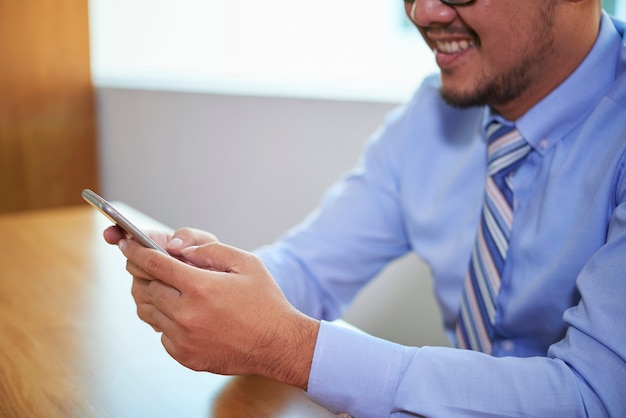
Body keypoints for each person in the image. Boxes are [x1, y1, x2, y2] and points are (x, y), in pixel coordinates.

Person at [104, 0, 626, 416]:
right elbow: (311, 267)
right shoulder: (431, 115)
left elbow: (595, 398)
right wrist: (213, 280)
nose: (423, 11)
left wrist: (294, 348)